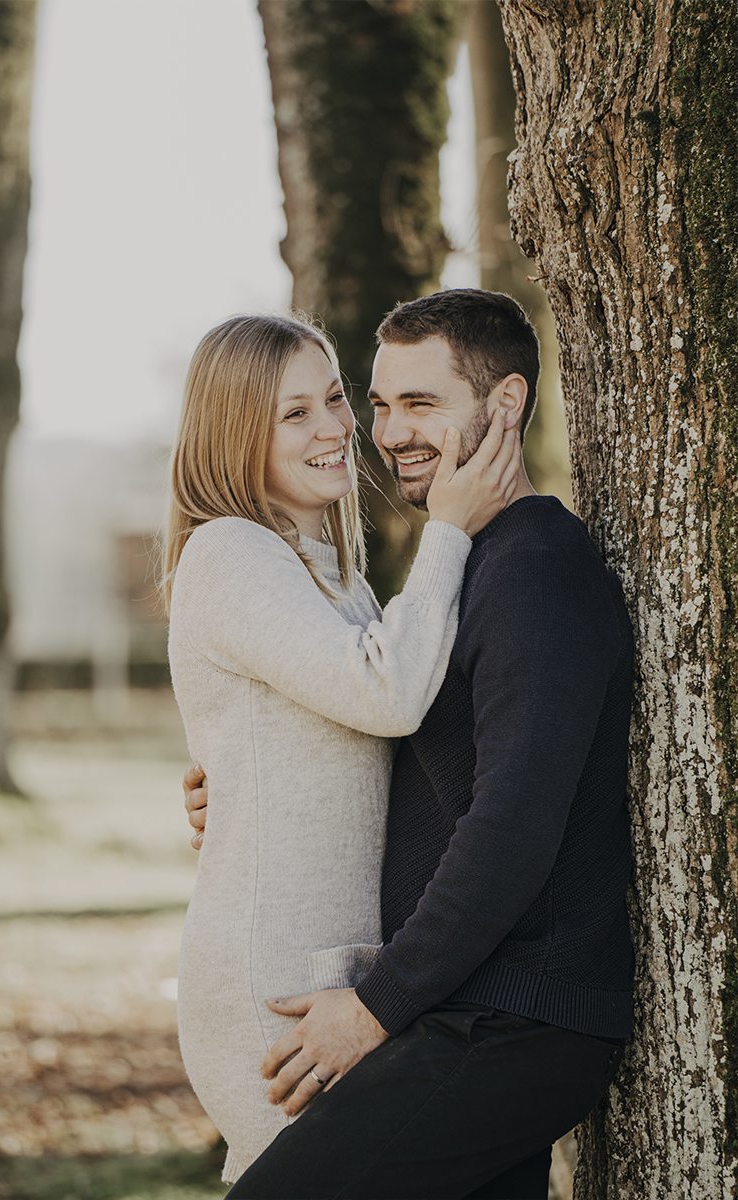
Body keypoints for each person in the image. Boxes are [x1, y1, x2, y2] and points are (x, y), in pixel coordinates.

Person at [187, 290, 634, 1200]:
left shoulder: (532, 569)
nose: (382, 433)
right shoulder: (465, 570)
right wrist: (236, 778)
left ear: (504, 406)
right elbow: (388, 719)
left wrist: (379, 1006)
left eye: (417, 404)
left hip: (505, 1016)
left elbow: (509, 822)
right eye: (379, 403)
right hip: (464, 1005)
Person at [165, 311, 521, 1186]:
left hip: (339, 973)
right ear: (235, 428)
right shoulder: (227, 550)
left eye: (334, 400)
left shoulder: (333, 573)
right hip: (270, 978)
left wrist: (233, 786)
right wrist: (451, 527)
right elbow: (386, 694)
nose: (334, 429)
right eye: (296, 413)